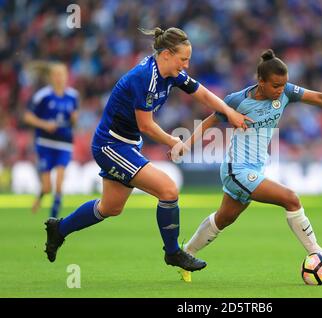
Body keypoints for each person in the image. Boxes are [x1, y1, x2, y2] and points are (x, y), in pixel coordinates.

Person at [43, 27, 252, 272]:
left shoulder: (170, 73)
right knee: (168, 189)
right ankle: (173, 252)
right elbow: (146, 125)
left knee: (110, 207)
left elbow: (203, 93)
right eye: (183, 59)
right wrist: (173, 141)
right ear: (166, 54)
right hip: (111, 145)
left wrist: (229, 112)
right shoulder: (145, 78)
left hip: (127, 144)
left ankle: (60, 228)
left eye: (188, 60)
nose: (185, 65)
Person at [171, 49, 322, 282]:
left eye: (283, 85)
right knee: (290, 198)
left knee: (224, 218)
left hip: (255, 168)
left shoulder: (286, 93)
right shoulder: (237, 100)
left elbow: (320, 98)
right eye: (275, 85)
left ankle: (186, 254)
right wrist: (187, 145)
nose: (280, 90)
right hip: (236, 170)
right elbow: (210, 121)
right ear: (260, 81)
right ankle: (317, 252)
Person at [24, 62, 79, 218]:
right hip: (45, 143)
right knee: (47, 187)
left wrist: (74, 119)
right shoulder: (43, 96)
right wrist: (44, 124)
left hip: (64, 143)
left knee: (59, 183)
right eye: (56, 75)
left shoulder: (73, 96)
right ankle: (41, 196)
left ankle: (53, 219)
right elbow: (27, 116)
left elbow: (73, 120)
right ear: (51, 77)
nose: (59, 78)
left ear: (67, 77)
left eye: (62, 75)